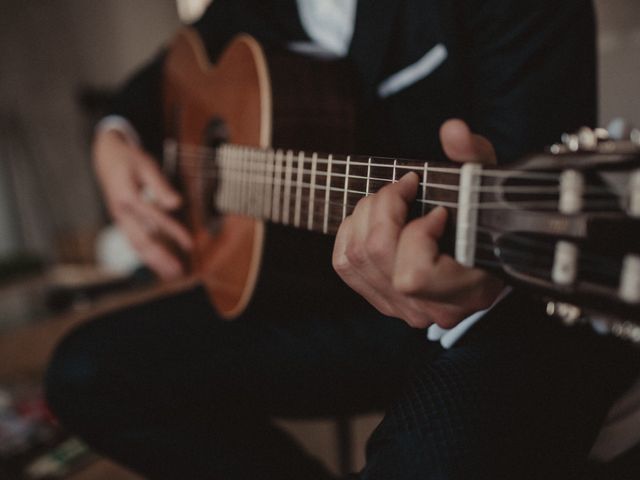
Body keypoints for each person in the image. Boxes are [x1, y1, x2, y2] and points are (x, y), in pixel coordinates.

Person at [45, 1, 640, 478]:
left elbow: (540, 202)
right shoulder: (247, 8)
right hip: (323, 292)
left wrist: (476, 282)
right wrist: (113, 139)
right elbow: (152, 84)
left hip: (502, 303)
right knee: (86, 372)